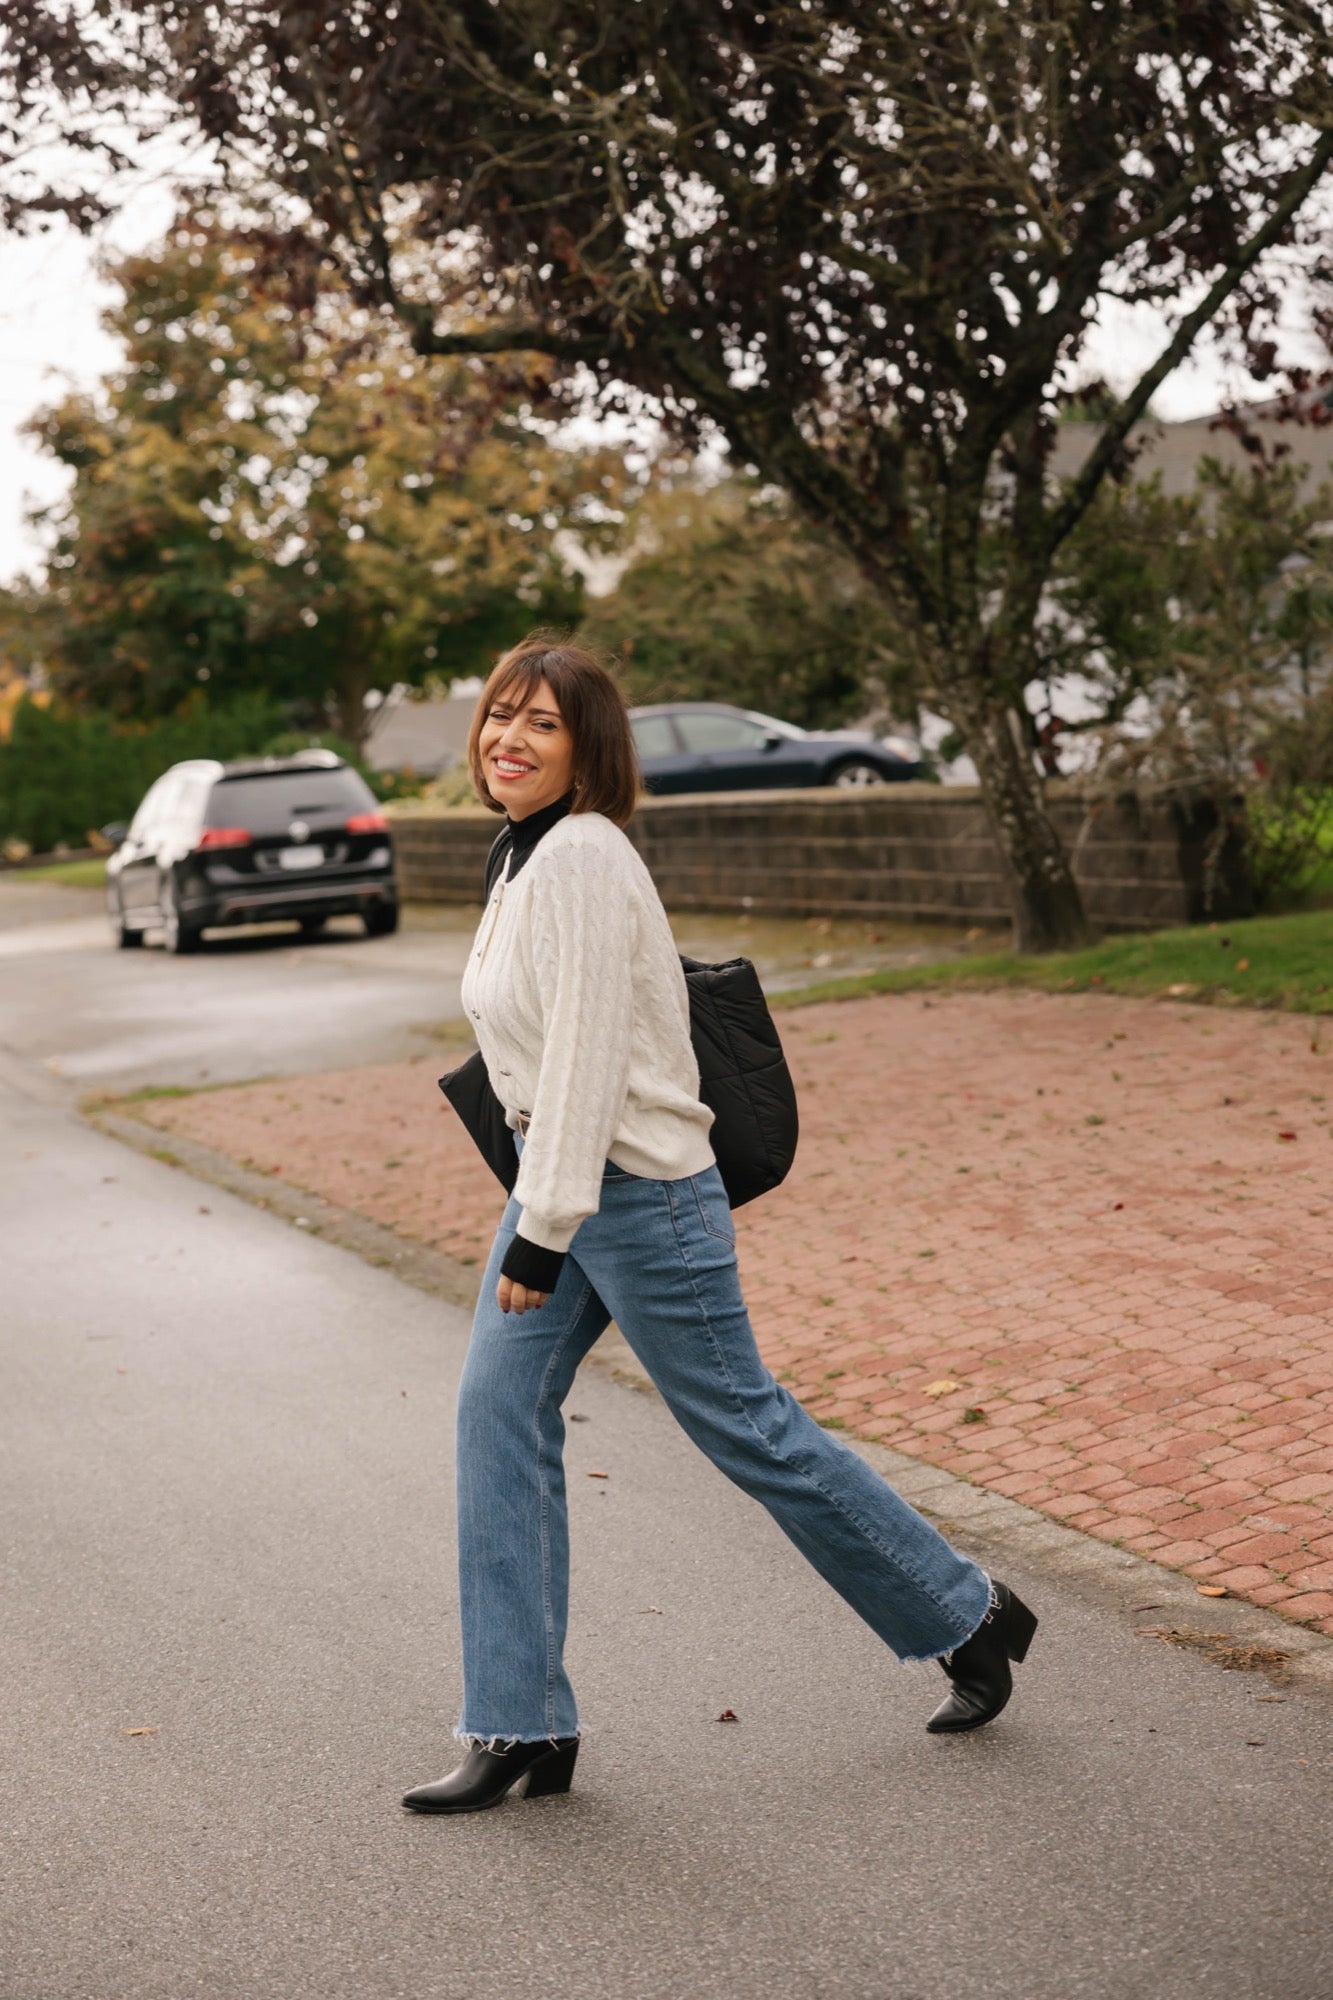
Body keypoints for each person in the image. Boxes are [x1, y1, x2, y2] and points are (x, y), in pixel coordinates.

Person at [402, 638, 1037, 1815]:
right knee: (494, 1417)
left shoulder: (585, 854)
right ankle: (521, 1721)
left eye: (540, 723)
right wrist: (540, 1206)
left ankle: (968, 1611)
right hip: (559, 1186)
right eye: (499, 716)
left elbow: (590, 1052)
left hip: (636, 1196)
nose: (509, 738)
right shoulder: (519, 849)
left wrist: (540, 1233)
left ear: (588, 749)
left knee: (749, 1427)